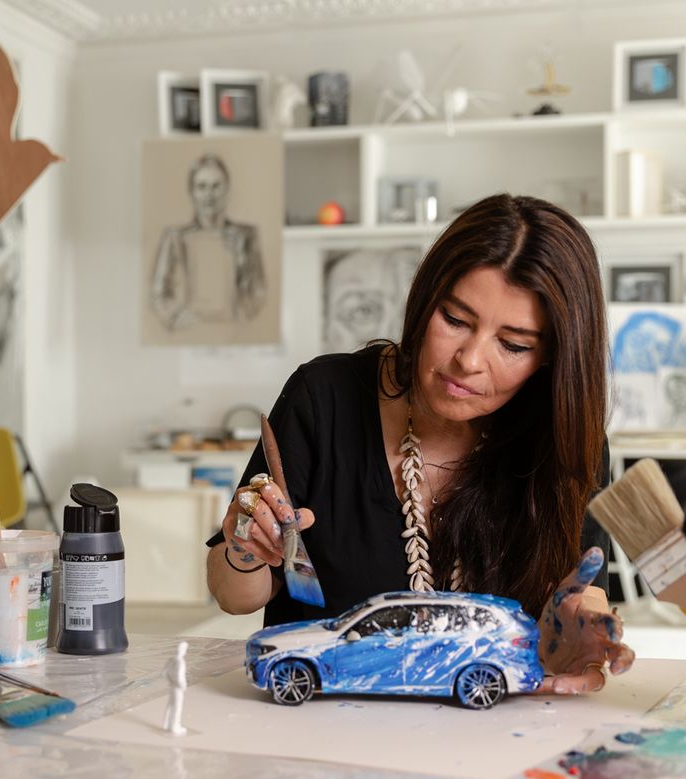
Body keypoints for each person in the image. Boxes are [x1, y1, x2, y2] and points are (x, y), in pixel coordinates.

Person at [206, 193, 633, 695]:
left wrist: (577, 635)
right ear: (426, 298)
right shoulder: (324, 399)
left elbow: (584, 598)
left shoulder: (564, 443)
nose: (469, 360)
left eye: (513, 345)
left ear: (550, 359)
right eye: (454, 319)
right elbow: (234, 596)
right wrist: (244, 547)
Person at [150, 154, 264, 331]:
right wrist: (175, 317)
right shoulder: (174, 237)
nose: (209, 194)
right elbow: (158, 293)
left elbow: (258, 292)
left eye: (216, 186)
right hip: (189, 334)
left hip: (235, 334)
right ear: (192, 192)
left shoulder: (246, 236)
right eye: (201, 187)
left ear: (227, 189)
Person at [162, 640, 188, 736]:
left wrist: (170, 681)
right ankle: (174, 726)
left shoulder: (171, 660)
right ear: (183, 650)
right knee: (177, 707)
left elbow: (164, 673)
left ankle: (166, 724)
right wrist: (183, 686)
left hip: (172, 685)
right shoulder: (180, 662)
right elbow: (180, 677)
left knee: (170, 705)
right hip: (177, 687)